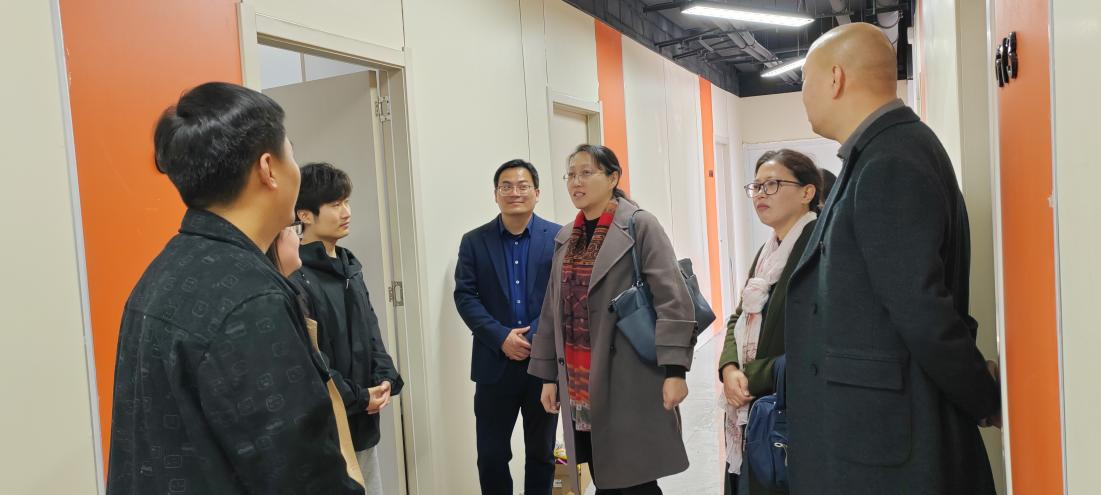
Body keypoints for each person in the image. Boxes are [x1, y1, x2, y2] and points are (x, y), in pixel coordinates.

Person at [107, 82, 363, 495]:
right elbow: (302, 474)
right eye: (291, 153)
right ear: (268, 169)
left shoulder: (164, 271)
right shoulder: (251, 299)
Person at [785, 23, 1001, 494]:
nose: (802, 96)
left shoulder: (889, 162)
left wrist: (983, 396)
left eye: (805, 81)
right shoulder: (882, 151)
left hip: (886, 445)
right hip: (880, 431)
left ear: (835, 78)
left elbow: (922, 309)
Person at [529, 144, 696, 494]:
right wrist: (548, 377)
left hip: (629, 375)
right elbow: (551, 309)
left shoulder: (639, 226)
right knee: (604, 472)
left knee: (634, 478)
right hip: (580, 381)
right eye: (571, 175)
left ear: (613, 177)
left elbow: (673, 299)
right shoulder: (566, 237)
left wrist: (675, 371)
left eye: (586, 173)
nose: (576, 182)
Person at [293, 162, 404, 494]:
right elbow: (312, 357)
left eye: (346, 201)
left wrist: (384, 378)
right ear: (304, 215)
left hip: (363, 420)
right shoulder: (296, 275)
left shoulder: (349, 266)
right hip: (329, 425)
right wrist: (358, 397)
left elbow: (371, 330)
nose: (346, 212)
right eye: (335, 204)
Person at [453, 159, 562, 495]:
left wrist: (534, 335)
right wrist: (501, 337)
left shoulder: (559, 238)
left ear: (537, 192)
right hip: (493, 364)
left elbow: (562, 295)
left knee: (541, 453)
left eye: (523, 185)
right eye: (507, 186)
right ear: (496, 194)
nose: (515, 192)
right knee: (491, 455)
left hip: (542, 366)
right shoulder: (474, 241)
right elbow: (465, 296)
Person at [719, 150, 822, 495]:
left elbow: (820, 341)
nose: (761, 194)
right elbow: (739, 315)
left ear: (807, 192)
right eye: (757, 186)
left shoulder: (818, 249)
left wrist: (752, 375)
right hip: (752, 398)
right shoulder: (767, 253)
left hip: (793, 409)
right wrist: (729, 367)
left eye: (773, 184)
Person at [266, 222, 365, 487]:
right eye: (291, 230)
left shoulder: (285, 293)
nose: (297, 238)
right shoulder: (274, 301)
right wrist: (359, 396)